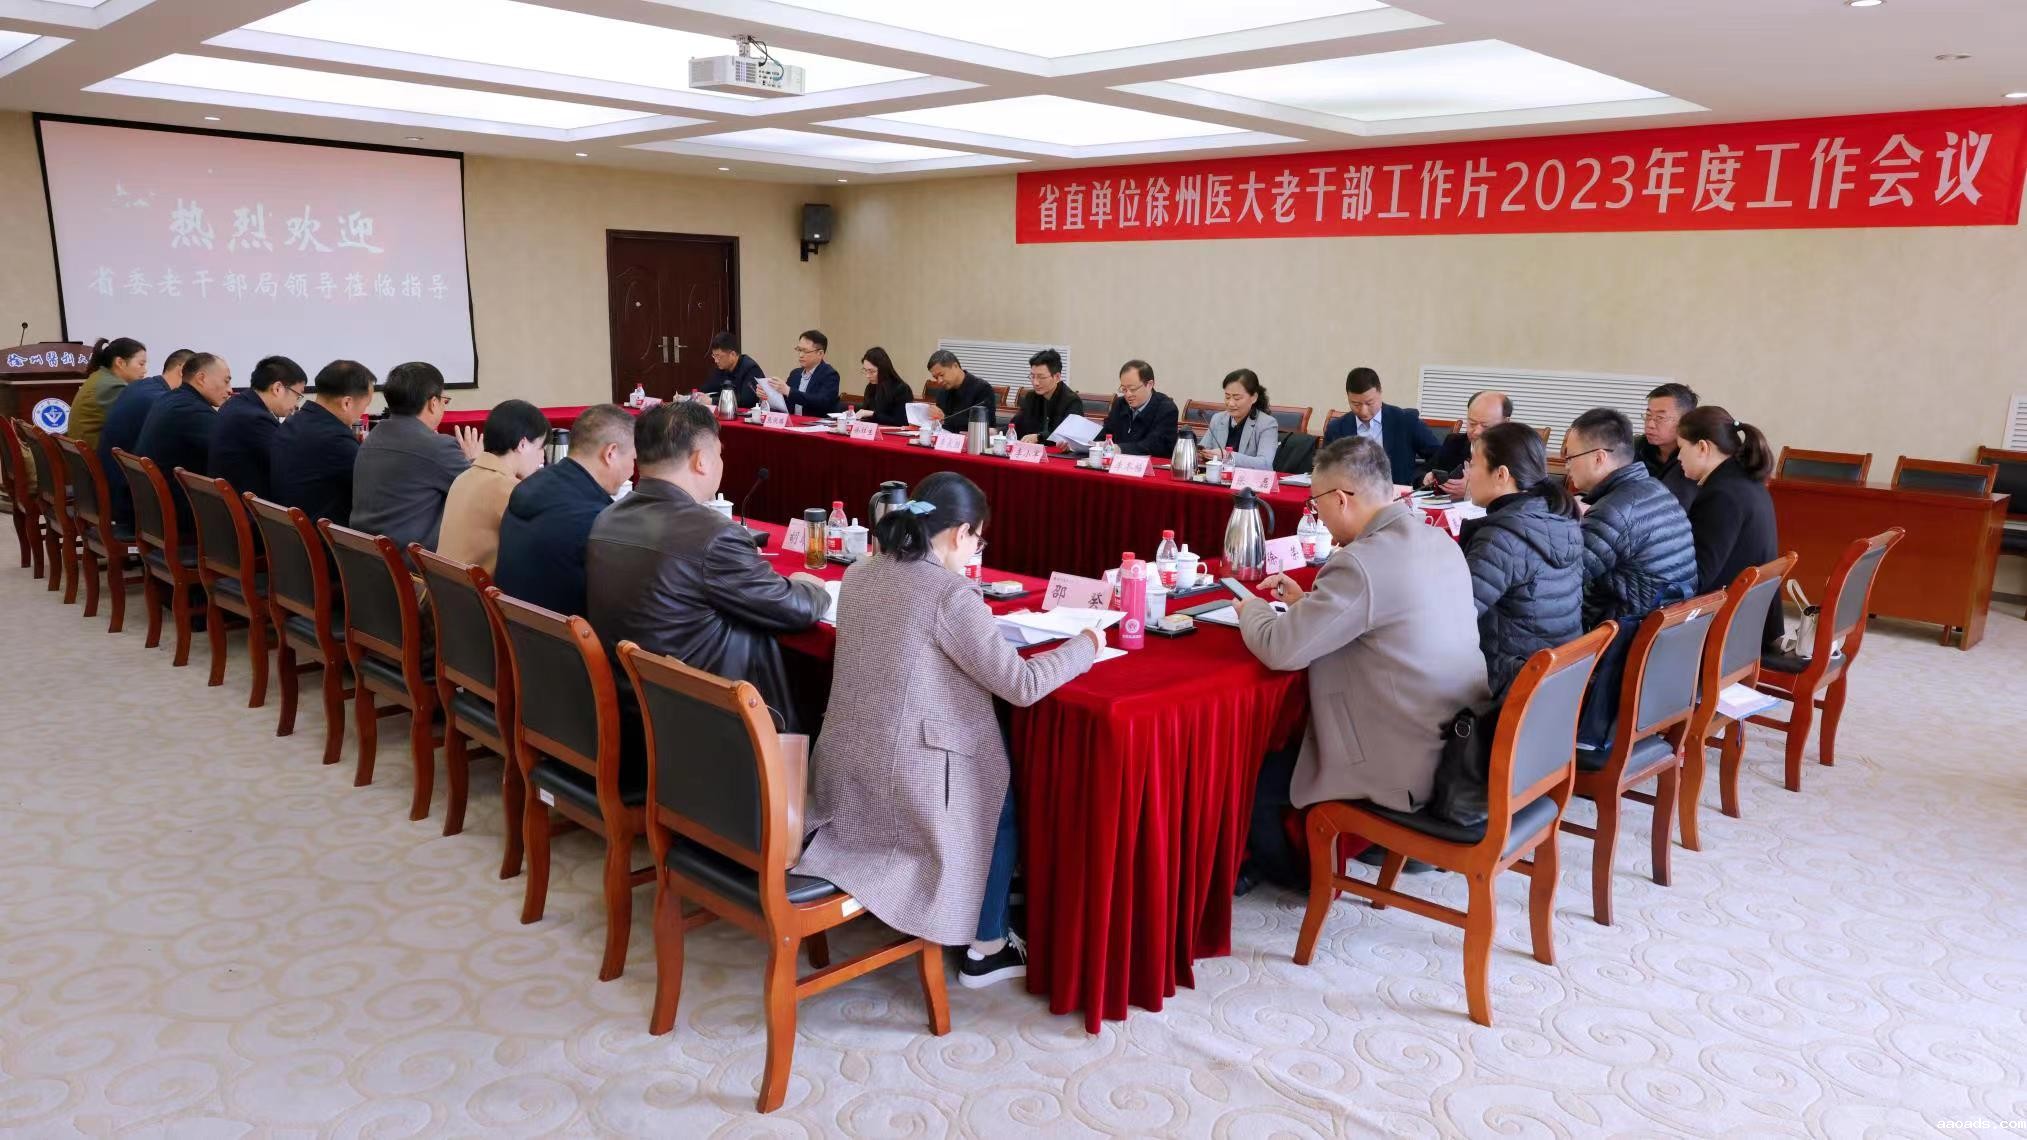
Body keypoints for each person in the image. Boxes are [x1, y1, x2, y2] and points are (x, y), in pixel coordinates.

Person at [794, 472, 1101, 988]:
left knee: (985, 755)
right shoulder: (949, 594)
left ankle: (987, 895)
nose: (976, 550)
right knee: (995, 787)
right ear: (962, 533)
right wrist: (1086, 646)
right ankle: (988, 944)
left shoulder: (862, 571)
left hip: (845, 761)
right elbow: (1022, 685)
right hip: (906, 777)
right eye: (979, 540)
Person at [1237, 437, 1488, 888]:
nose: (1318, 516)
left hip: (1402, 758)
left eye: (1315, 505)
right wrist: (1309, 605)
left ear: (1340, 498)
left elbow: (1280, 650)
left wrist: (1251, 609)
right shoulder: (1436, 538)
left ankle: (1304, 880)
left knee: (1252, 779)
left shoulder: (1360, 562)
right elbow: (1385, 619)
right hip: (1456, 741)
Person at [586, 401, 828, 730]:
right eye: (720, 454)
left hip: (632, 710)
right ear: (701, 460)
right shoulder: (714, 535)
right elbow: (795, 608)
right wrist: (811, 586)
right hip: (706, 724)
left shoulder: (607, 518)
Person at [1561, 407, 1698, 745]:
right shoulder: (1652, 490)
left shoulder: (1615, 509)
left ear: (1598, 458)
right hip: (1661, 642)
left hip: (1623, 646)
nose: (1566, 467)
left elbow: (1564, 580)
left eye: (1570, 457)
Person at [1459, 423, 1584, 699]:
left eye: (1474, 464)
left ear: (1501, 474)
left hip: (1511, 682)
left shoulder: (1502, 537)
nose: (1467, 473)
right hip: (1557, 677)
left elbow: (1456, 616)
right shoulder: (1561, 518)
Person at [495, 404, 635, 617]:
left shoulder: (528, 485)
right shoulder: (596, 520)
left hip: (515, 628)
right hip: (566, 634)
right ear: (611, 453)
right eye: (633, 458)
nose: (633, 469)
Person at [1677, 405, 1784, 652]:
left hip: (1730, 629)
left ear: (1702, 447)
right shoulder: (1745, 480)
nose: (1678, 458)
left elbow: (1699, 577)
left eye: (1681, 448)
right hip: (1754, 619)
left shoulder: (1721, 494)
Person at [350, 362, 480, 551]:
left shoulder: (373, 437)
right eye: (444, 401)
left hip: (369, 557)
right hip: (412, 563)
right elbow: (480, 495)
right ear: (433, 403)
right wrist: (475, 461)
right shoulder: (437, 446)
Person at [437, 400, 550, 573]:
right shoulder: (510, 490)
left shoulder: (463, 477)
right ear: (522, 444)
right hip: (478, 589)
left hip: (445, 586)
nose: (543, 458)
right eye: (541, 448)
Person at [134, 352, 232, 532]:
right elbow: (228, 450)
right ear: (201, 378)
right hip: (177, 515)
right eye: (226, 381)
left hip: (152, 510)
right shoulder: (191, 410)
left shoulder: (171, 398)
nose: (230, 390)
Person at [270, 359, 373, 525]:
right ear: (347, 403)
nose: (363, 412)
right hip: (322, 535)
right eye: (365, 405)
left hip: (288, 529)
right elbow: (374, 488)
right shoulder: (337, 440)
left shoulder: (293, 422)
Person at [100, 347, 194, 527]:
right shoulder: (163, 402)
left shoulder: (141, 386)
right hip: (131, 502)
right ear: (183, 371)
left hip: (115, 488)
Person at [1321, 367, 1441, 486]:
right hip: (1351, 494)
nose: (1363, 411)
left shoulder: (1406, 421)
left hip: (1397, 494)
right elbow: (1324, 469)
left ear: (1380, 393)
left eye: (1369, 403)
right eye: (1356, 404)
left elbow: (1438, 455)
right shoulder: (1336, 429)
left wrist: (1419, 477)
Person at [208, 355, 305, 502]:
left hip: (228, 502)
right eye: (297, 396)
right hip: (249, 507)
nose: (296, 404)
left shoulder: (236, 404)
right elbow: (290, 463)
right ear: (278, 388)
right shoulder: (255, 418)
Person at [1418, 390, 1511, 495]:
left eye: (1486, 426)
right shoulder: (1455, 443)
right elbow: (1420, 473)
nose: (1477, 432)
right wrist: (1426, 479)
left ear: (1505, 423)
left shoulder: (1516, 451)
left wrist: (1474, 491)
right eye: (1472, 423)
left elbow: (1520, 495)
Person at [69, 337, 148, 449]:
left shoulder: (101, 377)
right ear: (120, 362)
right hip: (97, 454)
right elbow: (142, 423)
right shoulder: (113, 387)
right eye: (141, 364)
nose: (145, 370)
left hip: (86, 451)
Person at [1198, 368, 1280, 470]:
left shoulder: (1267, 423)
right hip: (1217, 477)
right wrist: (1201, 453)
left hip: (1249, 479)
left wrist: (1227, 455)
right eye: (1227, 397)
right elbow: (1203, 449)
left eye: (1237, 398)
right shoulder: (1218, 419)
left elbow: (1265, 463)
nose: (1231, 403)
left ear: (1254, 397)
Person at [1636, 383, 1701, 510]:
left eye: (1660, 418)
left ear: (1685, 421)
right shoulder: (1636, 448)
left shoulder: (1694, 460)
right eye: (1648, 416)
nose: (1650, 424)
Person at [1096, 359, 1177, 457]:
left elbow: (1154, 445)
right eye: (1124, 389)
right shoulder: (1120, 404)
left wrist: (1120, 449)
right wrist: (1092, 445)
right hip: (1117, 463)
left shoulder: (1166, 409)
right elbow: (1105, 434)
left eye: (1133, 389)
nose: (1128, 394)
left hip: (1152, 464)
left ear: (1149, 385)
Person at [758, 329, 840, 417]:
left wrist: (789, 391)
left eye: (805, 351)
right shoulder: (795, 374)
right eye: (799, 350)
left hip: (816, 422)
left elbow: (822, 402)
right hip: (793, 421)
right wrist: (767, 396)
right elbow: (785, 404)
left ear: (820, 353)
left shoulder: (830, 375)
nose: (801, 355)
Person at [1010, 348, 1080, 444]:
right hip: (1031, 451)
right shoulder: (1031, 397)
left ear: (1057, 377)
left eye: (1041, 377)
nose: (1035, 382)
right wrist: (996, 431)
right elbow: (1016, 425)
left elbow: (1068, 435)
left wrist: (1039, 437)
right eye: (1032, 376)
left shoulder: (1072, 401)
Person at [924, 349, 997, 431]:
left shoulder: (982, 389)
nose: (939, 381)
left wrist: (945, 419)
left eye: (941, 375)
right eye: (936, 377)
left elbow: (983, 425)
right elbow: (939, 423)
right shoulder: (942, 391)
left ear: (955, 366)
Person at [698, 332, 768, 410]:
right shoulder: (722, 368)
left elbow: (746, 401)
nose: (716, 361)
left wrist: (712, 401)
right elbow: (708, 387)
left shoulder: (751, 369)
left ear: (733, 354)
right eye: (714, 356)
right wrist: (697, 395)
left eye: (718, 356)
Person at [852, 346, 916, 427]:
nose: (867, 376)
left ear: (883, 369)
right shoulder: (870, 387)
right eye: (865, 370)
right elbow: (866, 414)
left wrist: (872, 414)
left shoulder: (901, 389)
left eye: (872, 371)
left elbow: (901, 421)